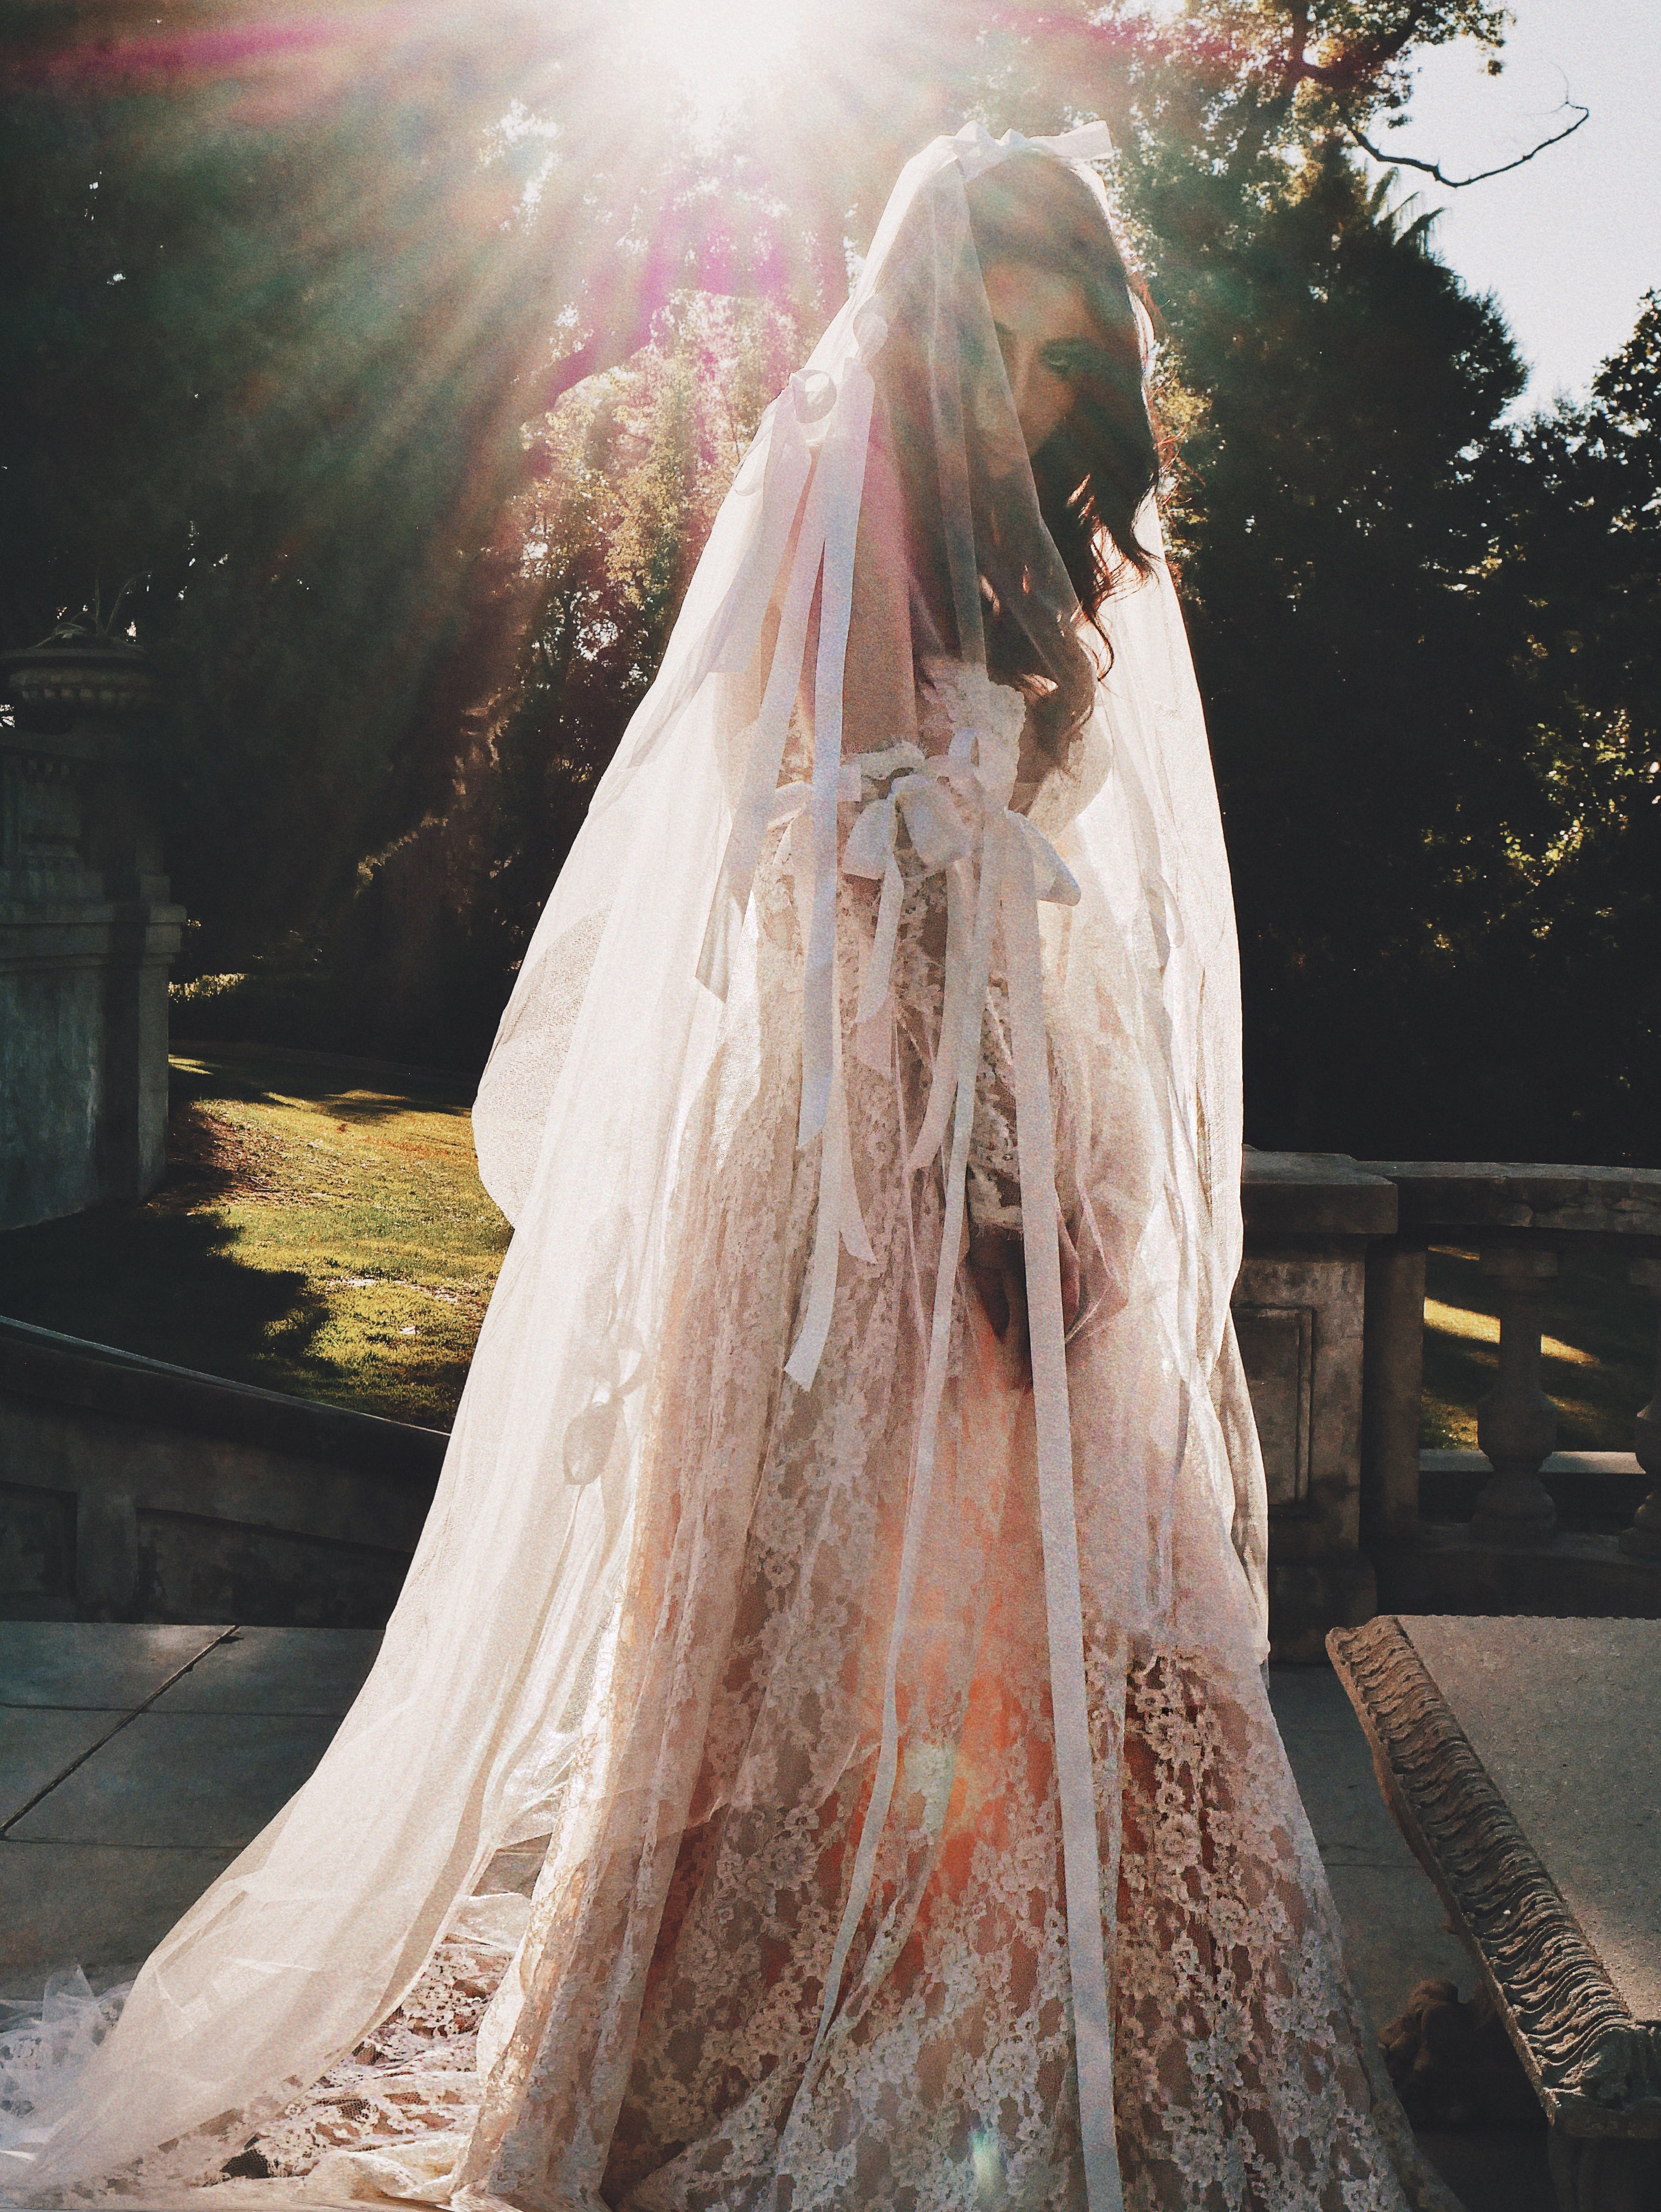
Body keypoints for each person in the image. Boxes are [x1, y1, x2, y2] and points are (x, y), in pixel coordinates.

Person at [0, 123, 1457, 2212]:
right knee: (803, 1632)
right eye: (996, 347)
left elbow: (1036, 918)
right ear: (925, 316)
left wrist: (1083, 1165)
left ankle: (1093, 2027)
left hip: (1021, 1102)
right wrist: (971, 1200)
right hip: (848, 1156)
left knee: (1090, 1611)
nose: (1025, 396)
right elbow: (867, 902)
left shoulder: (1051, 544)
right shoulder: (846, 492)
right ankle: (761, 2040)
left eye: (1065, 365)